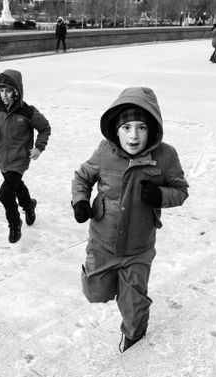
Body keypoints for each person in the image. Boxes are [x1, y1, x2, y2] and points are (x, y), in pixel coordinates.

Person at [71, 87, 189, 353]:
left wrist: (160, 195)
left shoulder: (166, 156)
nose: (133, 135)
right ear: (116, 129)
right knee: (95, 291)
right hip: (103, 241)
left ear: (153, 129)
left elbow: (181, 191)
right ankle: (114, 286)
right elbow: (82, 177)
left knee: (132, 302)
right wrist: (80, 200)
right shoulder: (105, 151)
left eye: (141, 127)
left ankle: (134, 333)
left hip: (138, 247)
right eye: (126, 127)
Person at [0, 69, 51, 244]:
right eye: (1, 90)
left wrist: (39, 148)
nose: (4, 95)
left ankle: (15, 223)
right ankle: (29, 205)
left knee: (4, 194)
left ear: (17, 91)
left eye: (8, 91)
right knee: (16, 187)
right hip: (1, 158)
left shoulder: (28, 111)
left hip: (19, 160)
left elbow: (45, 128)